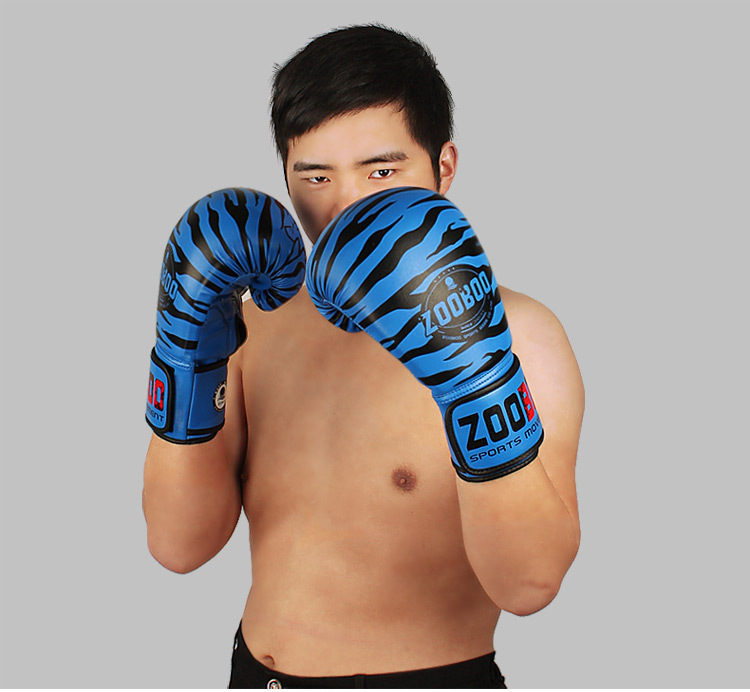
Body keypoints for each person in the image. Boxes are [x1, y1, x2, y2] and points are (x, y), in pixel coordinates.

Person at [142, 24, 584, 689]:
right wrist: (186, 344)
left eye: (381, 171)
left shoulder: (522, 334)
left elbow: (529, 584)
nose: (347, 203)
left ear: (443, 167)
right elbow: (179, 546)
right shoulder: (255, 323)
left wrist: (475, 377)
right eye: (316, 176)